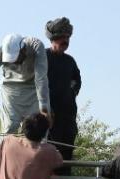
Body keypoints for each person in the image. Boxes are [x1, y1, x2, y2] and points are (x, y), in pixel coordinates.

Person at [44, 17, 82, 166]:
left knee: (65, 158)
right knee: (49, 155)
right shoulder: (43, 57)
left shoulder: (70, 61)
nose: (65, 41)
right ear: (54, 39)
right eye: (62, 38)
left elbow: (77, 81)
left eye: (67, 38)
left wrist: (70, 91)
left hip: (68, 117)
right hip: (49, 118)